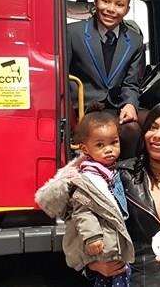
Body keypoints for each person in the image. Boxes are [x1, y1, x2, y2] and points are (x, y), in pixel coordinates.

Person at [88, 101, 160, 287]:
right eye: (152, 128)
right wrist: (92, 263)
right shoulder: (122, 174)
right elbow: (83, 218)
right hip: (128, 280)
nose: (158, 135)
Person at [35, 103, 134, 287]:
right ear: (85, 149)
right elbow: (83, 212)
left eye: (114, 142)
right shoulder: (88, 178)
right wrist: (92, 237)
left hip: (115, 247)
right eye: (100, 145)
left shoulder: (109, 171)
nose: (109, 149)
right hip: (104, 248)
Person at [67, 0, 145, 158]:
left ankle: (129, 175)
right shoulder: (72, 33)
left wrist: (130, 104)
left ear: (127, 9)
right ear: (96, 0)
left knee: (142, 125)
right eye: (106, 1)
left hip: (114, 108)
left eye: (119, 4)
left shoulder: (134, 41)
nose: (111, 9)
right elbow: (61, 78)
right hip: (82, 109)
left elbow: (130, 83)